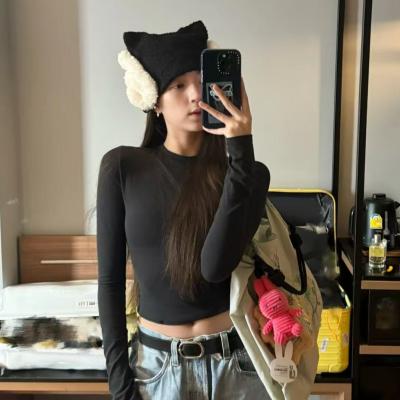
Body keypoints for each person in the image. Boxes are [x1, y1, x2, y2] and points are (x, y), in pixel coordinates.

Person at [96, 20, 271, 400]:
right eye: (178, 85)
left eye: (201, 81)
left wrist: (241, 149)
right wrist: (120, 385)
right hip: (156, 369)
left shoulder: (249, 174)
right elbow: (110, 283)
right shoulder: (122, 167)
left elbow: (214, 267)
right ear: (153, 100)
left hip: (238, 365)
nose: (194, 94)